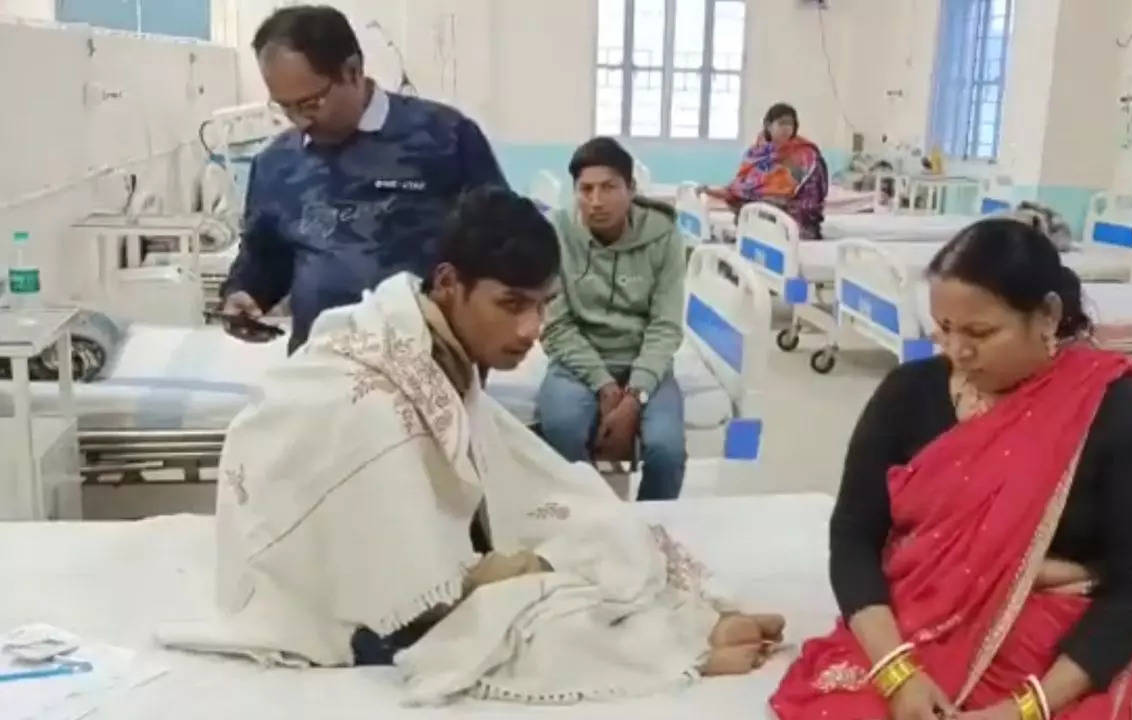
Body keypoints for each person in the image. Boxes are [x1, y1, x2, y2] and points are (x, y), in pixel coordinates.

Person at [158, 187, 783, 703]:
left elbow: (491, 469)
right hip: (327, 602)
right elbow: (411, 588)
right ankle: (680, 647)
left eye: (542, 307)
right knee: (541, 607)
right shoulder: (378, 395)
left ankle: (682, 614)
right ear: (449, 283)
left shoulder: (435, 353)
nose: (530, 330)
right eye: (511, 304)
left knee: (590, 522)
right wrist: (517, 567)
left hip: (376, 552)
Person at [771, 219, 1132, 720]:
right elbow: (854, 537)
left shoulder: (1116, 413)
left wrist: (1025, 709)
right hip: (912, 628)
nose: (957, 352)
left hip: (1053, 655)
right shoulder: (908, 393)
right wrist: (898, 674)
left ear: (1048, 316)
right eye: (944, 329)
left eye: (980, 332)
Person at [221, 5, 508, 353]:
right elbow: (265, 256)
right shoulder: (276, 163)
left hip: (429, 365)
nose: (300, 121)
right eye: (286, 107)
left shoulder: (445, 138)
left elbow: (500, 241)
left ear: (353, 71)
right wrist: (244, 294)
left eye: (311, 103)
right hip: (321, 364)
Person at [536, 138, 688, 501]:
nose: (596, 201)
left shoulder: (664, 235)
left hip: (643, 359)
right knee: (561, 430)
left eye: (609, 187)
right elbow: (556, 325)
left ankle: (650, 534)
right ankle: (583, 524)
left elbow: (665, 326)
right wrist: (604, 386)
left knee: (666, 452)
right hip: (578, 363)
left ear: (631, 189)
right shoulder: (557, 233)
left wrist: (634, 397)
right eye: (585, 189)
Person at [700, 103, 830, 239]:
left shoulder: (805, 155)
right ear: (768, 125)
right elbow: (742, 186)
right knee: (745, 204)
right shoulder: (756, 152)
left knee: (762, 209)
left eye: (790, 124)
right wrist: (715, 192)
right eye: (781, 123)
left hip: (795, 214)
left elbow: (812, 194)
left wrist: (775, 199)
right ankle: (752, 232)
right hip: (761, 208)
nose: (786, 128)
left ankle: (758, 232)